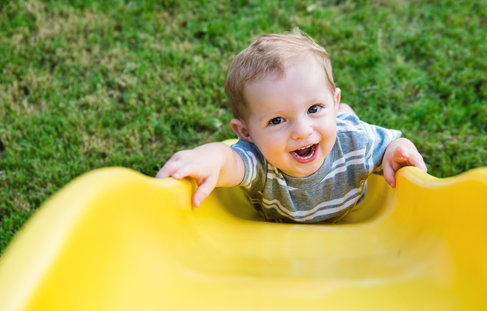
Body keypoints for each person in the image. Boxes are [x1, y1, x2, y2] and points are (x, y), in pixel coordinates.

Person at [156, 31, 427, 223]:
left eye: (313, 109)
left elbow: (391, 146)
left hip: (349, 201)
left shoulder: (355, 141)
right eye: (277, 120)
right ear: (246, 133)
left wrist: (397, 149)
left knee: (345, 125)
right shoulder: (259, 160)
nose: (302, 131)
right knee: (329, 125)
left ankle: (341, 114)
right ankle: (333, 114)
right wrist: (207, 157)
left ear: (332, 100)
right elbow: (227, 160)